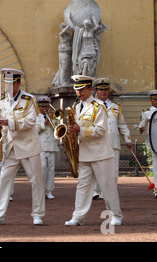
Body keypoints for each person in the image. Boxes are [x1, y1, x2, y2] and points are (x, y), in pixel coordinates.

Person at [0, 68, 45, 226]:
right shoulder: (1, 99)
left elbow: (31, 122)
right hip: (10, 145)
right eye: (5, 82)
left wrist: (9, 123)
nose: (7, 85)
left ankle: (37, 214)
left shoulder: (29, 99)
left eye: (10, 83)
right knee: (4, 179)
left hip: (29, 145)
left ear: (18, 83)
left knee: (36, 181)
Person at [65, 75, 123, 226]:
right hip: (84, 153)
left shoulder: (98, 107)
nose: (78, 93)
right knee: (83, 186)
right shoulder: (77, 107)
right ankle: (78, 216)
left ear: (90, 89)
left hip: (100, 153)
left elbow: (101, 130)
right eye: (77, 90)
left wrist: (80, 129)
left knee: (107, 186)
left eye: (82, 89)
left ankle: (116, 215)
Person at [93, 78, 132, 199]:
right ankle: (96, 191)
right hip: (97, 142)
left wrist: (127, 139)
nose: (103, 92)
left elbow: (122, 125)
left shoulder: (115, 107)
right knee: (98, 168)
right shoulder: (91, 106)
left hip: (113, 142)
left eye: (105, 89)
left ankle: (110, 193)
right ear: (96, 91)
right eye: (101, 90)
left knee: (113, 171)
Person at [35, 96, 59, 200]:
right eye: (42, 106)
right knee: (42, 168)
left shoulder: (53, 117)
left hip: (51, 146)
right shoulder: (36, 118)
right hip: (40, 146)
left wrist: (55, 121)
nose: (44, 108)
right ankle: (40, 190)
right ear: (39, 107)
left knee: (51, 169)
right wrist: (45, 123)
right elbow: (35, 131)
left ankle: (49, 191)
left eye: (46, 106)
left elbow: (58, 130)